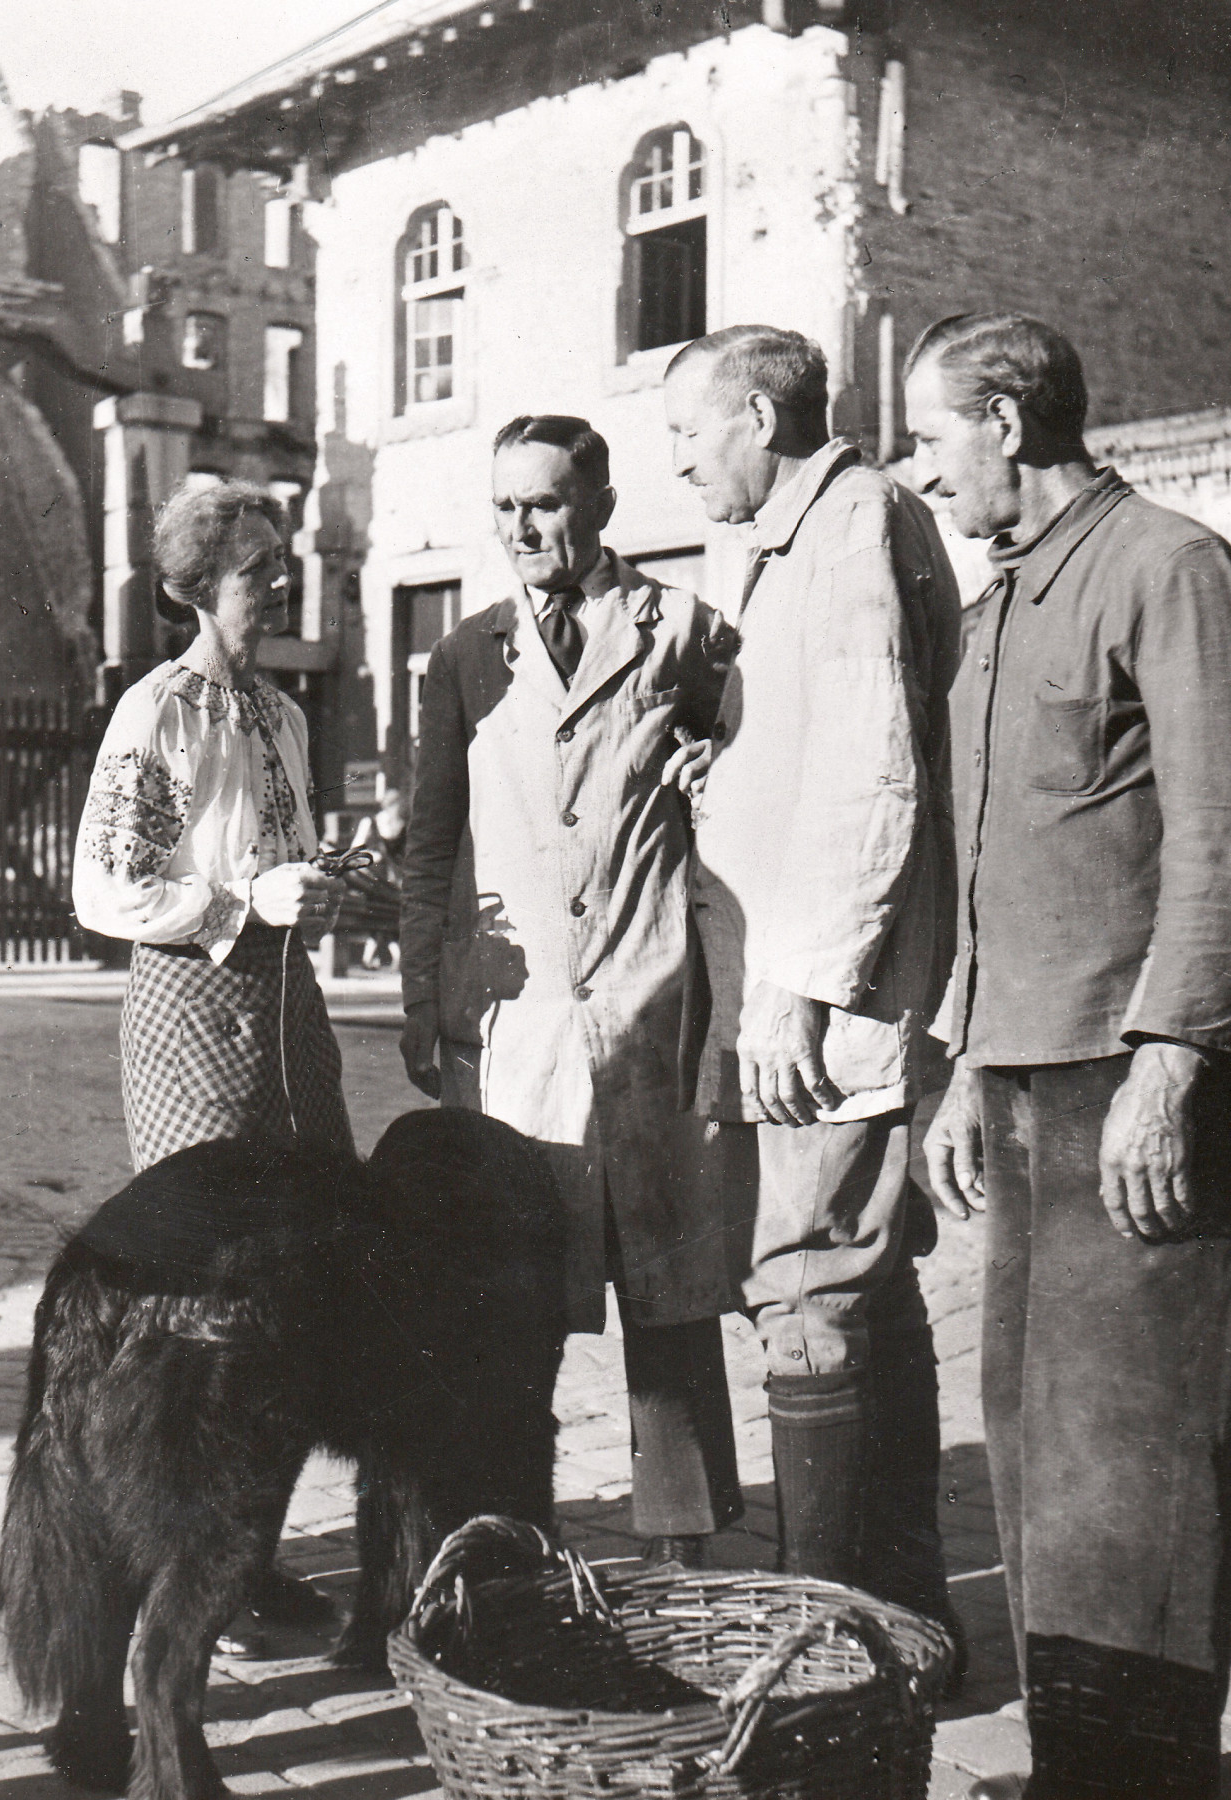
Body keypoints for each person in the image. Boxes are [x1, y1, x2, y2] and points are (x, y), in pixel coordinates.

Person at [908, 313, 1231, 1800]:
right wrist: (959, 1060)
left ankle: (1136, 1782)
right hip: (1027, 1071)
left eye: (935, 435)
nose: (926, 471)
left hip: (1137, 1083)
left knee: (1135, 1464)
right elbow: (1010, 857)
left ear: (1004, 422)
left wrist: (1175, 1055)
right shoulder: (1005, 597)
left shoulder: (1166, 567)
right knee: (1032, 1443)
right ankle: (1084, 1765)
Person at [662, 328, 965, 1654]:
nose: (677, 461)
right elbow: (812, 747)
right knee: (859, 1283)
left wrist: (791, 990)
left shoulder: (849, 525)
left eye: (688, 432)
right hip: (810, 982)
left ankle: (824, 1636)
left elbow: (874, 772)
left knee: (806, 1288)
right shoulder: (807, 533)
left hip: (822, 997)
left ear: (758, 421)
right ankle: (899, 1617)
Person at [399, 414, 746, 1566]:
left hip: (646, 1001)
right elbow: (429, 850)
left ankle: (683, 1550)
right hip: (519, 1026)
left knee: (667, 1282)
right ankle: (507, 1537)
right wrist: (420, 998)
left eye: (543, 503)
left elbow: (743, 774)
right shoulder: (462, 659)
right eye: (503, 508)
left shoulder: (684, 633)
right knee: (506, 1292)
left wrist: (712, 762)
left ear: (596, 503)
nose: (522, 528)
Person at [71, 476, 350, 1650]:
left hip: (290, 1020)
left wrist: (324, 889)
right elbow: (102, 888)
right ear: (194, 590)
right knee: (207, 1307)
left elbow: (283, 871)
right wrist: (244, 897)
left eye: (283, 560)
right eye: (255, 568)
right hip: (192, 1013)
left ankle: (249, 1559)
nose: (278, 580)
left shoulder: (281, 716)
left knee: (301, 1292)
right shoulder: (158, 713)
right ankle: (186, 1574)